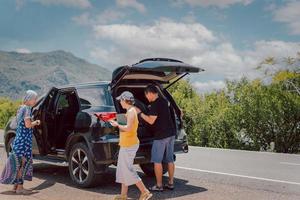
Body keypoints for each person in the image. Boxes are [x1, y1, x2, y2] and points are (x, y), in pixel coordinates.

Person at [110, 91, 152, 200]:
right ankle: (123, 195)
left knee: (127, 170)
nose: (120, 102)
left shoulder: (132, 111)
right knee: (123, 169)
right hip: (126, 144)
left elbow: (128, 128)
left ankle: (145, 192)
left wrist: (116, 124)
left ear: (125, 100)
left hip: (129, 145)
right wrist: (116, 119)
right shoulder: (129, 111)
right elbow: (126, 127)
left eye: (121, 100)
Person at [136, 84, 176, 192]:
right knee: (170, 160)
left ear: (149, 93)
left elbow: (150, 120)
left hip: (161, 136)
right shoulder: (164, 101)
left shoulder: (155, 104)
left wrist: (140, 113)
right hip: (171, 134)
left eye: (146, 96)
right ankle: (171, 183)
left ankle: (159, 186)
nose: (147, 98)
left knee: (157, 161)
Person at [0, 90, 41, 194]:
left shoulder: (20, 108)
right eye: (34, 99)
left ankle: (15, 187)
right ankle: (20, 188)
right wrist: (35, 122)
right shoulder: (27, 109)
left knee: (18, 162)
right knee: (22, 162)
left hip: (19, 139)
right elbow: (27, 125)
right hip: (24, 141)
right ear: (30, 99)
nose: (35, 101)